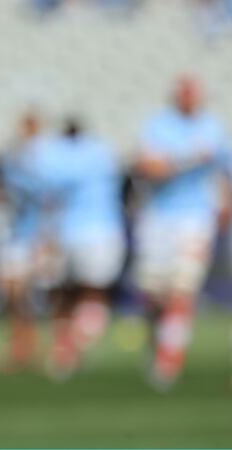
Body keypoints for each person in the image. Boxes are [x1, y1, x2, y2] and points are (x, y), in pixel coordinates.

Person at [133, 76, 230, 389]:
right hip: (160, 216)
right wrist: (187, 159)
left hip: (195, 217)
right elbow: (149, 167)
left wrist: (224, 207)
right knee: (153, 295)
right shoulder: (158, 125)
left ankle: (168, 358)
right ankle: (157, 344)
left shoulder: (213, 129)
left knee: (182, 289)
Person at [37, 116, 126, 379]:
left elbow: (48, 194)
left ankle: (69, 348)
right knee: (93, 290)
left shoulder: (52, 154)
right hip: (101, 230)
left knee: (64, 292)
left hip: (71, 230)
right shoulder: (102, 151)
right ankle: (79, 343)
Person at [0, 110, 51, 371]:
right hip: (14, 235)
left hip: (31, 235)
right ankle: (22, 344)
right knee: (11, 294)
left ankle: (27, 345)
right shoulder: (16, 157)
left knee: (21, 293)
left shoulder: (43, 159)